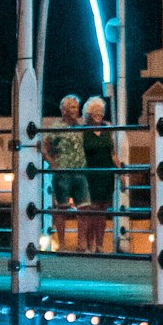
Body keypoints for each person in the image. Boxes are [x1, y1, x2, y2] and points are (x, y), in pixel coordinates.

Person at [44, 95, 86, 252]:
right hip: (62, 173)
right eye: (73, 107)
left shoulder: (82, 126)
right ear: (64, 110)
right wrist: (52, 163)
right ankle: (61, 244)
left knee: (84, 208)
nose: (76, 110)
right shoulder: (56, 127)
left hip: (81, 171)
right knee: (61, 207)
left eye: (77, 107)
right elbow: (45, 147)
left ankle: (81, 243)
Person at [79, 96, 117, 256]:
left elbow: (113, 152)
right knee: (91, 210)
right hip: (90, 174)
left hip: (106, 173)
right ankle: (89, 244)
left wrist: (120, 170)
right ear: (88, 114)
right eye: (95, 112)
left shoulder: (108, 129)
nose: (98, 115)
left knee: (102, 211)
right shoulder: (83, 131)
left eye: (101, 112)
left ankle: (100, 245)